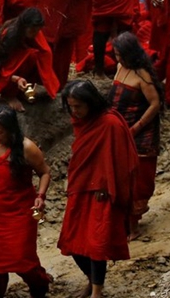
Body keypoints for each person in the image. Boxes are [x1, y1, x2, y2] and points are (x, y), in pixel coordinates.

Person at [58, 80, 138, 298]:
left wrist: (106, 184)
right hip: (81, 186)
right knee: (72, 241)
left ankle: (97, 292)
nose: (74, 112)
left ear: (91, 103)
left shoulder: (110, 123)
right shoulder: (82, 122)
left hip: (103, 192)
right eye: (71, 107)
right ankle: (91, 281)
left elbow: (121, 161)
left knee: (96, 243)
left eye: (78, 107)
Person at [0, 106, 52, 298]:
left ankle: (39, 285)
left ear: (11, 130)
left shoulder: (27, 147)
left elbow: (44, 172)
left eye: (0, 132)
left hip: (19, 213)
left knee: (22, 258)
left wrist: (40, 197)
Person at [107, 32, 162, 240]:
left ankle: (133, 226)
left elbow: (155, 104)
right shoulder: (121, 68)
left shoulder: (142, 76)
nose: (118, 59)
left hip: (140, 134)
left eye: (120, 55)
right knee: (118, 176)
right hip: (119, 130)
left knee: (136, 179)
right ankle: (121, 222)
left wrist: (137, 127)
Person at [0, 8, 59, 111]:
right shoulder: (9, 35)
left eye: (37, 31)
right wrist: (16, 79)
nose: (35, 34)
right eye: (32, 31)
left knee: (35, 56)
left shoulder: (34, 32)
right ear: (24, 27)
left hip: (16, 68)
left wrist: (48, 82)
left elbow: (45, 54)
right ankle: (8, 94)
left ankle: (24, 90)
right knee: (30, 56)